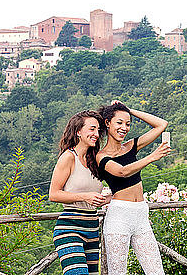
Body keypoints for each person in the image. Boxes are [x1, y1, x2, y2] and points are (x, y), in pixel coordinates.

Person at [89, 101, 170, 275]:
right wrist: (152, 157)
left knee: (156, 271)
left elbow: (161, 125)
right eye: (119, 123)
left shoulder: (131, 146)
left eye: (128, 124)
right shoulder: (101, 156)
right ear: (107, 123)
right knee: (118, 272)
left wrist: (128, 110)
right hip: (119, 217)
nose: (124, 128)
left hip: (141, 214)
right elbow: (123, 172)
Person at [49, 110, 110, 275]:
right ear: (78, 132)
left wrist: (106, 199)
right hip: (70, 228)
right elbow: (54, 194)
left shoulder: (94, 160)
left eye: (98, 130)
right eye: (91, 129)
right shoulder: (68, 157)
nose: (96, 134)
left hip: (92, 228)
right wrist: (85, 196)